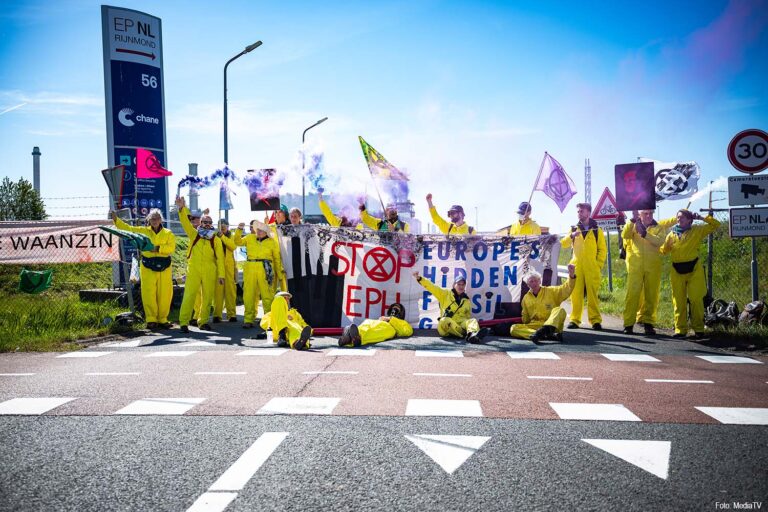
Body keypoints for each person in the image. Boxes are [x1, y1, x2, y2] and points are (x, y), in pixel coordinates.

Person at [111, 209, 176, 330]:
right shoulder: (143, 231)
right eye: (152, 218)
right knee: (148, 292)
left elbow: (171, 248)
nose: (155, 221)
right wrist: (116, 220)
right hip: (147, 266)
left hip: (165, 267)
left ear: (161, 219)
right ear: (149, 220)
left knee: (165, 293)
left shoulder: (169, 233)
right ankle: (151, 319)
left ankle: (163, 319)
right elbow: (128, 229)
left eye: (157, 218)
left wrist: (157, 248)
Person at [660, 210, 720, 338]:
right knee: (678, 301)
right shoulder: (671, 235)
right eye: (677, 217)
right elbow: (664, 251)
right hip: (676, 270)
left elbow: (716, 225)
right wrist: (664, 246)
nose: (679, 219)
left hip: (694, 270)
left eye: (682, 217)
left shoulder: (697, 230)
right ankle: (680, 330)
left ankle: (698, 329)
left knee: (696, 300)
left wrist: (702, 217)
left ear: (689, 220)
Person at [175, 197, 224, 332]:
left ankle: (203, 322)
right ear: (200, 223)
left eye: (209, 222)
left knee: (207, 297)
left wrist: (221, 275)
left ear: (212, 223)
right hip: (194, 269)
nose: (207, 224)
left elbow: (220, 258)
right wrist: (181, 209)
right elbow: (185, 222)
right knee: (189, 295)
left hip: (210, 270)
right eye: (204, 222)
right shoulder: (194, 234)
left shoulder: (216, 239)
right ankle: (184, 322)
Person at [621, 209, 668, 335]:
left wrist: (645, 234)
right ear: (640, 214)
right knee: (632, 294)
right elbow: (625, 235)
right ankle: (628, 324)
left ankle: (649, 324)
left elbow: (660, 241)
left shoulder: (659, 227)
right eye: (645, 213)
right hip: (635, 265)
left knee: (651, 295)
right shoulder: (633, 224)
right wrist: (632, 220)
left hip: (653, 266)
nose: (649, 216)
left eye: (651, 213)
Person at [561, 202, 606, 330]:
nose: (579, 213)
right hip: (576, 267)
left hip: (592, 267)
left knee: (593, 295)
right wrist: (571, 236)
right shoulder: (574, 229)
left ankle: (595, 320)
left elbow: (602, 250)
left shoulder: (597, 230)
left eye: (581, 211)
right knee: (576, 294)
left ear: (588, 212)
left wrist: (598, 265)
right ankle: (575, 320)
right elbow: (563, 243)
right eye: (578, 211)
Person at [412, 271, 489, 343]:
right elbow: (432, 287)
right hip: (447, 326)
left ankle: (473, 335)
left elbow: (467, 317)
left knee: (472, 320)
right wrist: (419, 278)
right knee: (444, 320)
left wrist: (466, 324)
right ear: (454, 285)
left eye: (463, 285)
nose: (461, 286)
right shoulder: (445, 294)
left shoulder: (466, 300)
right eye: (459, 284)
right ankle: (466, 334)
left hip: (460, 325)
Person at [235, 219, 283, 328]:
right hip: (250, 267)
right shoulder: (249, 237)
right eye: (258, 229)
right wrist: (239, 230)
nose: (259, 231)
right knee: (249, 295)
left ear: (266, 232)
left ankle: (269, 320)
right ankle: (248, 319)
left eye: (262, 230)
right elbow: (237, 242)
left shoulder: (272, 242)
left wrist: (279, 274)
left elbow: (277, 259)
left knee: (267, 296)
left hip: (265, 269)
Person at [510, 264, 576, 342]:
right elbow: (526, 318)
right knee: (514, 328)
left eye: (536, 280)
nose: (534, 283)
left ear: (540, 281)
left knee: (560, 310)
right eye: (531, 281)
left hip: (552, 324)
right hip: (536, 325)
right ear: (528, 285)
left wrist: (571, 275)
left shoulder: (551, 291)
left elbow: (566, 289)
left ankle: (545, 332)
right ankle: (539, 334)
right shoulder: (526, 298)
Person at [338, 302, 413, 347]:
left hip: (390, 328)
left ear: (401, 313)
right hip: (377, 322)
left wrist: (390, 319)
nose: (394, 310)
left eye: (396, 309)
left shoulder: (403, 322)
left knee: (374, 332)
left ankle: (352, 337)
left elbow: (408, 331)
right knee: (367, 322)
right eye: (393, 308)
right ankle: (352, 337)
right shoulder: (385, 317)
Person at [213, 219, 238, 323]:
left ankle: (231, 314)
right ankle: (217, 315)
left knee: (230, 291)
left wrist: (222, 237)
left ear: (227, 226)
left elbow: (233, 246)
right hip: (218, 265)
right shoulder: (214, 236)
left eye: (224, 226)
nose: (222, 228)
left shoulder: (231, 236)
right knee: (218, 292)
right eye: (221, 226)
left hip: (229, 266)